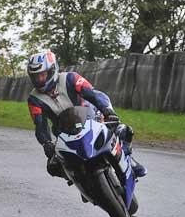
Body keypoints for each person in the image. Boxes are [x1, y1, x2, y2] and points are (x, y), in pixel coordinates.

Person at [26, 50, 147, 179]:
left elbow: (91, 94)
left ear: (52, 70)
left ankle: (128, 159)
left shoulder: (71, 78)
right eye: (35, 77)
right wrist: (46, 143)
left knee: (122, 130)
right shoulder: (34, 99)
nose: (39, 79)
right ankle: (80, 179)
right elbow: (40, 124)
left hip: (91, 117)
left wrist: (107, 111)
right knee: (53, 166)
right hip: (64, 132)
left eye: (42, 75)